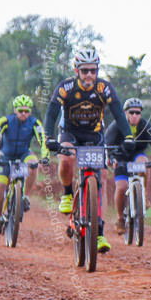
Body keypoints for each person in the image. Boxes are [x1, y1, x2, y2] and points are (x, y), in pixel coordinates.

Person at [43, 49, 132, 253]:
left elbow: (118, 113)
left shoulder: (104, 88)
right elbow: (51, 112)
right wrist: (49, 137)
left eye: (93, 70)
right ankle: (67, 194)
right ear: (77, 71)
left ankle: (99, 232)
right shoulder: (65, 87)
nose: (89, 75)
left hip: (94, 135)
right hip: (70, 133)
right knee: (67, 158)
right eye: (85, 71)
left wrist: (128, 136)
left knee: (101, 177)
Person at [0, 95, 49, 233]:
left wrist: (45, 156)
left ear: (30, 111)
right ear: (15, 110)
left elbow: (43, 139)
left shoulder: (34, 122)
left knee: (33, 164)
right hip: (5, 155)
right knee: (0, 185)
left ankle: (24, 196)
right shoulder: (6, 120)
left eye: (26, 111)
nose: (23, 114)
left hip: (23, 153)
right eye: (20, 111)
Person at [105, 97, 151, 234]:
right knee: (121, 188)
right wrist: (110, 157)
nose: (134, 116)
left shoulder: (145, 125)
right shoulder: (117, 125)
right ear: (125, 113)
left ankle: (143, 195)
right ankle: (120, 219)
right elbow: (107, 142)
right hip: (120, 158)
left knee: (143, 163)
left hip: (136, 155)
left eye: (138, 113)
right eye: (131, 112)